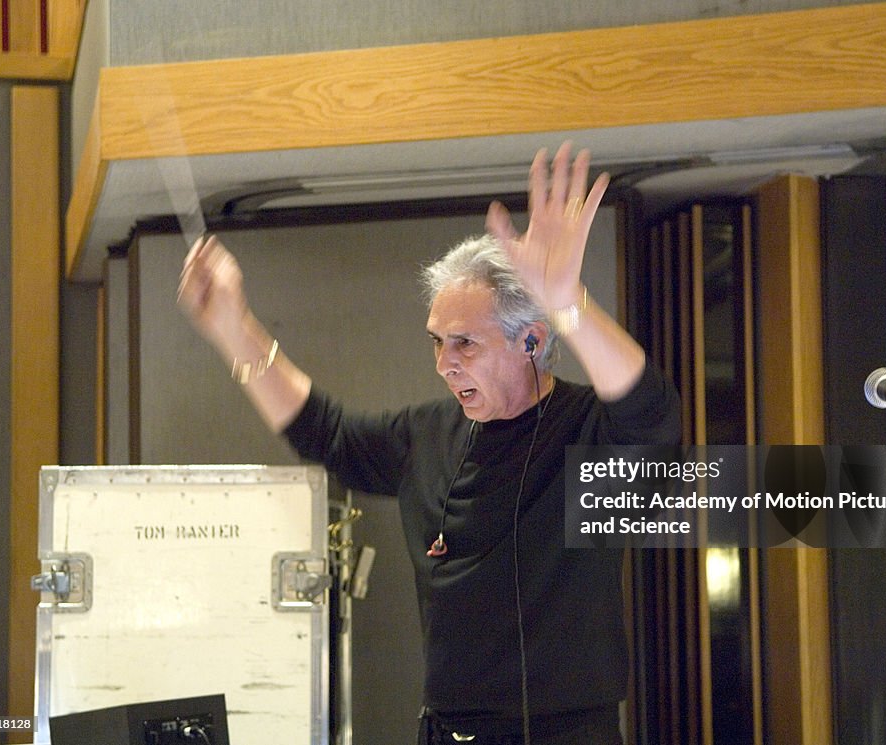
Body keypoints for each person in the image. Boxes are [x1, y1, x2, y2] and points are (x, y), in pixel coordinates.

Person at [177, 143, 681, 745]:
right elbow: (327, 433)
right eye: (437, 342)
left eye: (465, 343)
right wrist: (236, 331)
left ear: (531, 342)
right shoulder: (428, 435)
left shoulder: (586, 433)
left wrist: (568, 300)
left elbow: (648, 412)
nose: (445, 364)